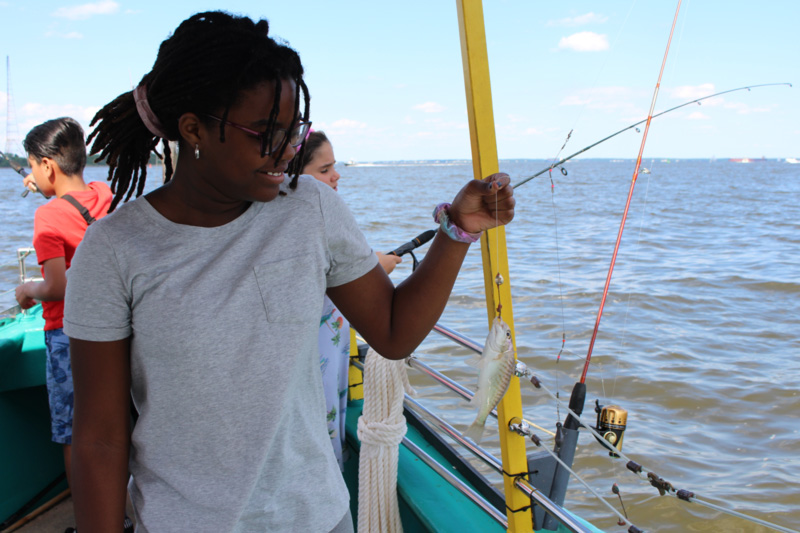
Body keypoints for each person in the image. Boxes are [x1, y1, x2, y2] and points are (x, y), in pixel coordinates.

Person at [64, 11, 514, 533]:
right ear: (194, 129)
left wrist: (458, 229)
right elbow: (99, 437)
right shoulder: (115, 249)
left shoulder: (311, 210)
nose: (288, 151)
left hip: (317, 518)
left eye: (294, 131)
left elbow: (393, 332)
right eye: (266, 133)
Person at [13, 117, 112, 503]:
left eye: (34, 167)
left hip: (67, 336)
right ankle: (120, 515)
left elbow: (57, 286)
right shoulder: (104, 194)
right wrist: (42, 185)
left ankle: (89, 519)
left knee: (73, 433)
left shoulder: (47, 217)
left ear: (48, 166)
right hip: (112, 329)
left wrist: (26, 290)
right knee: (111, 426)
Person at [295, 130, 401, 469]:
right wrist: (375, 267)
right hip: (314, 363)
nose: (336, 175)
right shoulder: (306, 221)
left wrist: (368, 265)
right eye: (324, 170)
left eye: (334, 167)